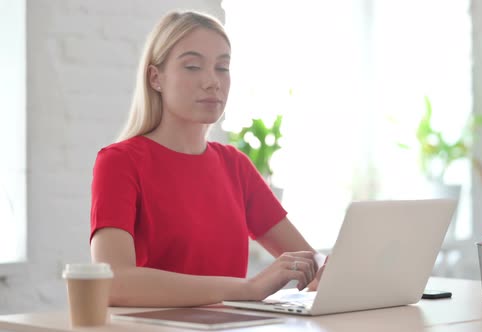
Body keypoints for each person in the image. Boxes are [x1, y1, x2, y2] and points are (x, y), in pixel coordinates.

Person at [90, 10, 324, 307]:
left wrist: (331, 272)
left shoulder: (234, 165)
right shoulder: (120, 162)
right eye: (192, 66)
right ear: (155, 78)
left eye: (222, 67)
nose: (212, 82)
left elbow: (312, 262)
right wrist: (248, 288)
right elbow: (112, 282)